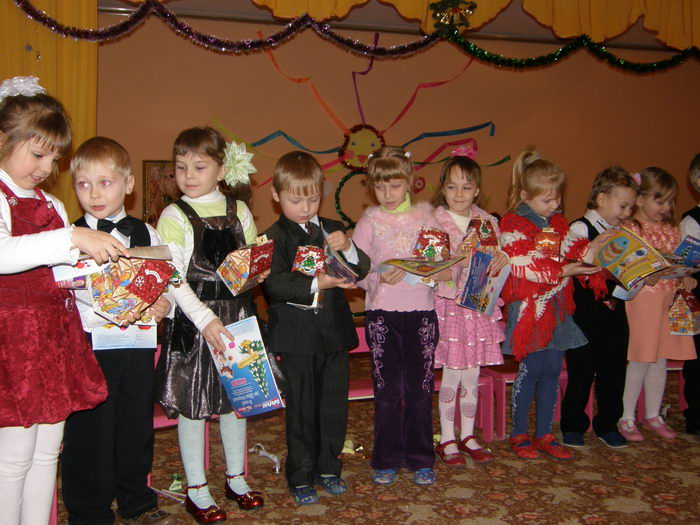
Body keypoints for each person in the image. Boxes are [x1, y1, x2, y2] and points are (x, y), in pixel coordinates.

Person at [0, 76, 126, 524]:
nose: (47, 166)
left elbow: (61, 274)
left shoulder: (52, 204)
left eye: (54, 157)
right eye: (38, 154)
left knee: (47, 451)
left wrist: (108, 282)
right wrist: (72, 237)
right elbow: (4, 254)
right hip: (13, 345)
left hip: (54, 341)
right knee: (14, 455)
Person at [60, 137, 175, 525]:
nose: (93, 194)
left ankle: (136, 501)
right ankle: (89, 512)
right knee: (88, 431)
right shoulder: (68, 237)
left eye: (105, 182)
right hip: (89, 349)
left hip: (137, 348)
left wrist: (163, 305)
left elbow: (166, 284)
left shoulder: (148, 234)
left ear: (129, 184)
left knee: (134, 427)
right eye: (83, 184)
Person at [155, 127, 264, 523]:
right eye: (181, 167)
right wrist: (204, 319)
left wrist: (257, 270)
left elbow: (249, 260)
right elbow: (173, 276)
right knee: (194, 405)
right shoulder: (174, 215)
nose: (188, 175)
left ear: (220, 170)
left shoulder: (240, 210)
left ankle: (236, 478)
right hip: (195, 321)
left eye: (199, 167)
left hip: (236, 317)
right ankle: (196, 488)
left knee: (238, 399)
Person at [262, 151, 370, 505]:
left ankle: (329, 468)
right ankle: (301, 475)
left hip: (334, 334)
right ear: (276, 195)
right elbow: (274, 285)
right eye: (295, 200)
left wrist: (349, 246)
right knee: (302, 408)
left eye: (312, 198)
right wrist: (316, 283)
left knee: (333, 406)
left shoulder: (332, 228)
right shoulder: (272, 237)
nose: (305, 207)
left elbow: (362, 267)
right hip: (296, 338)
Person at [500, 148, 609, 460]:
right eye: (547, 200)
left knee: (551, 370)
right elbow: (526, 265)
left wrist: (597, 247)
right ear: (525, 195)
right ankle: (519, 433)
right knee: (532, 369)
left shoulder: (560, 224)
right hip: (530, 311)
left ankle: (545, 432)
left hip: (557, 308)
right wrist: (565, 270)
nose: (554, 205)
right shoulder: (513, 225)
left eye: (557, 198)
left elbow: (578, 249)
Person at [353, 146, 444, 486]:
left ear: (409, 181)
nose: (388, 194)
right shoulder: (369, 223)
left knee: (420, 389)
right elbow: (356, 271)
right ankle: (386, 458)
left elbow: (441, 266)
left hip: (421, 313)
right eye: (380, 187)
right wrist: (378, 276)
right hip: (382, 315)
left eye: (394, 185)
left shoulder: (427, 219)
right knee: (388, 389)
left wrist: (427, 273)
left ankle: (421, 457)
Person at [431, 148, 507, 465]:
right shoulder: (435, 221)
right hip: (451, 307)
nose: (459, 193)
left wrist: (501, 258)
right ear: (443, 188)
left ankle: (468, 435)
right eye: (452, 186)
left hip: (478, 305)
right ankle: (448, 437)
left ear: (476, 190)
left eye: (466, 187)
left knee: (472, 375)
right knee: (452, 374)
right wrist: (457, 259)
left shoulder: (487, 221)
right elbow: (431, 265)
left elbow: (497, 257)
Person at [560, 166, 639, 449]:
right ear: (602, 199)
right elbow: (569, 263)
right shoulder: (580, 228)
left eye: (630, 207)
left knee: (614, 369)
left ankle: (607, 423)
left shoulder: (624, 232)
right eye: (623, 206)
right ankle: (573, 424)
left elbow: (628, 272)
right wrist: (593, 247)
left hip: (616, 311)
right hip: (586, 313)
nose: (627, 213)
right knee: (581, 370)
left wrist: (640, 274)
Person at [617, 167, 696, 441]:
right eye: (660, 201)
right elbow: (624, 269)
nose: (666, 208)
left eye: (671, 202)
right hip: (643, 302)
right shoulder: (630, 229)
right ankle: (626, 416)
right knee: (640, 358)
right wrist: (644, 274)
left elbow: (680, 263)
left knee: (659, 359)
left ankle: (653, 414)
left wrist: (686, 277)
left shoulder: (672, 230)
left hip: (667, 301)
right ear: (639, 199)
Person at [679, 153, 700, 436]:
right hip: (698, 298)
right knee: (697, 359)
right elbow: (685, 265)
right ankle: (695, 414)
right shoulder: (691, 222)